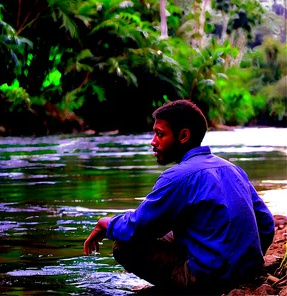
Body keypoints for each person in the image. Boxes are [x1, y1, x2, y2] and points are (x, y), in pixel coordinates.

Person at [83, 100, 275, 294]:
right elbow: (266, 224)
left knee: (124, 245)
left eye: (160, 134)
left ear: (183, 136)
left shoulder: (177, 176)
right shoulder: (232, 169)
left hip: (208, 279)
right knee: (173, 228)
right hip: (249, 272)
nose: (153, 141)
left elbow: (137, 227)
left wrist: (105, 224)